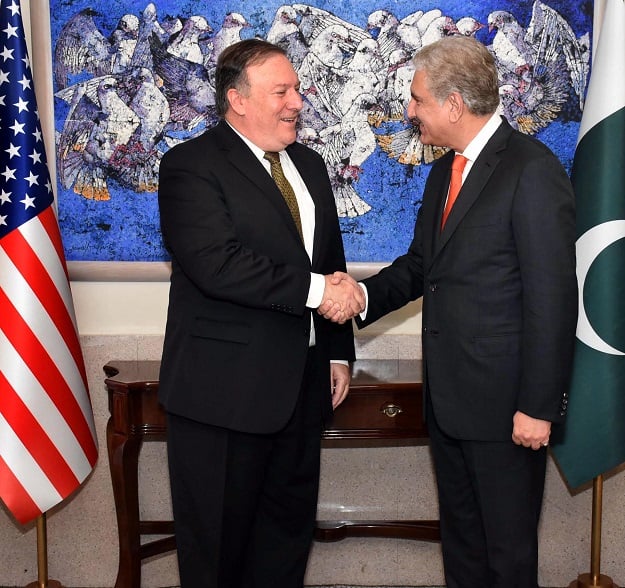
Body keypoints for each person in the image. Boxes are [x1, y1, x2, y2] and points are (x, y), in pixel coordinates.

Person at [321, 36, 577, 588]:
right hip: (451, 403)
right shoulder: (444, 172)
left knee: (507, 559)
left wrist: (538, 407)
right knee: (462, 552)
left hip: (508, 411)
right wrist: (360, 297)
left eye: (417, 99)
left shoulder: (531, 170)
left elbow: (552, 298)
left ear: (454, 104)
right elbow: (422, 267)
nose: (409, 110)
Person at [157, 39, 364, 588]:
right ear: (238, 100)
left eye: (296, 89)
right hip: (222, 398)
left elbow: (330, 263)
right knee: (219, 556)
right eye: (283, 91)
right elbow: (217, 264)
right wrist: (320, 293)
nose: (298, 100)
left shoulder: (311, 165)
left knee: (285, 546)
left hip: (301, 394)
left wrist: (338, 353)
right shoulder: (189, 166)